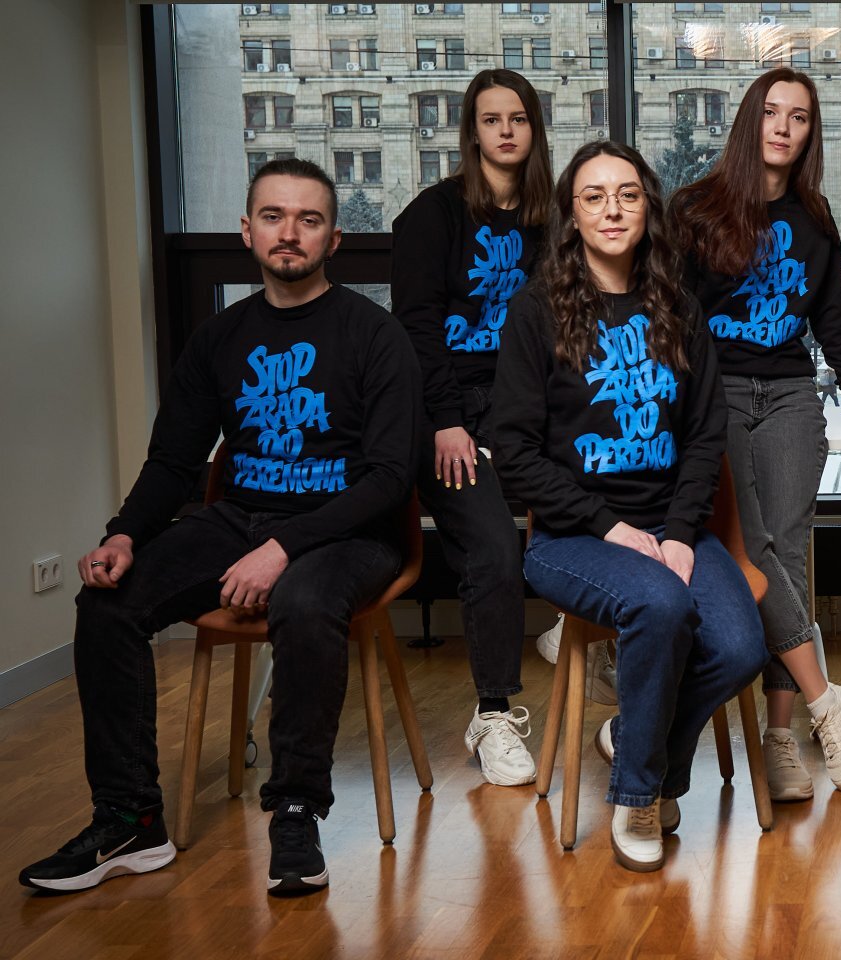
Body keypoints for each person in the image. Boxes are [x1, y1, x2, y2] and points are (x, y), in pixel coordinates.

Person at [19, 159, 420, 896]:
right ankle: (130, 821)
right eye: (273, 216)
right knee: (107, 604)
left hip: (351, 532)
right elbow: (173, 461)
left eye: (308, 219)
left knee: (303, 601)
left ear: (334, 239)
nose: (289, 232)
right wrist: (123, 534)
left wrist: (283, 549)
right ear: (247, 230)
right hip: (239, 519)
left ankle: (295, 811)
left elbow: (391, 479)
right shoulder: (219, 338)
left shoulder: (375, 335)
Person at [490, 141, 766, 873]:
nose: (612, 210)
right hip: (572, 538)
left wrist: (678, 534)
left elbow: (705, 436)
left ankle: (641, 746)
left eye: (628, 195)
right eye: (594, 197)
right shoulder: (535, 312)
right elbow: (513, 451)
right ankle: (639, 794)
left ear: (648, 209)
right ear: (572, 216)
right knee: (661, 606)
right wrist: (610, 527)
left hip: (671, 529)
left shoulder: (680, 308)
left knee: (741, 647)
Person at [669, 68, 841, 802]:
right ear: (750, 120)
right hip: (714, 393)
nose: (784, 127)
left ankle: (780, 736)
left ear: (812, 131)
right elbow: (669, 316)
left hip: (789, 393)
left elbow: (836, 321)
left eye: (800, 117)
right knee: (749, 550)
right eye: (772, 112)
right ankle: (825, 702)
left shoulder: (815, 218)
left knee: (787, 554)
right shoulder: (695, 208)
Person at [391, 68, 550, 787]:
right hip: (445, 411)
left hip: (520, 402)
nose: (506, 131)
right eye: (491, 120)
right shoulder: (433, 215)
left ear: (533, 128)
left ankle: (590, 630)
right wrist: (447, 422)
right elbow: (417, 330)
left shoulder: (549, 217)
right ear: (473, 132)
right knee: (491, 546)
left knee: (618, 479)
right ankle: (493, 713)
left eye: (517, 118)